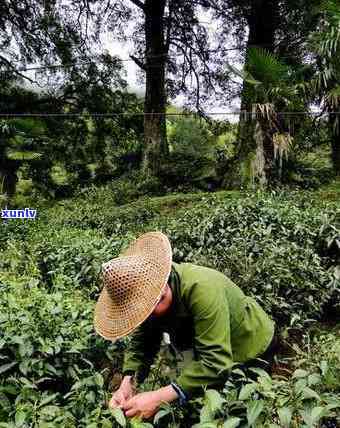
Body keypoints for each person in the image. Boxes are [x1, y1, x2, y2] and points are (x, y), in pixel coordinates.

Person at [93, 231, 276, 420]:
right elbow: (142, 340)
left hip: (249, 343)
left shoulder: (201, 289)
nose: (150, 311)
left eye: (155, 300)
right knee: (195, 398)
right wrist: (128, 382)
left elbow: (215, 364)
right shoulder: (149, 305)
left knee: (243, 411)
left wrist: (157, 398)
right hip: (201, 346)